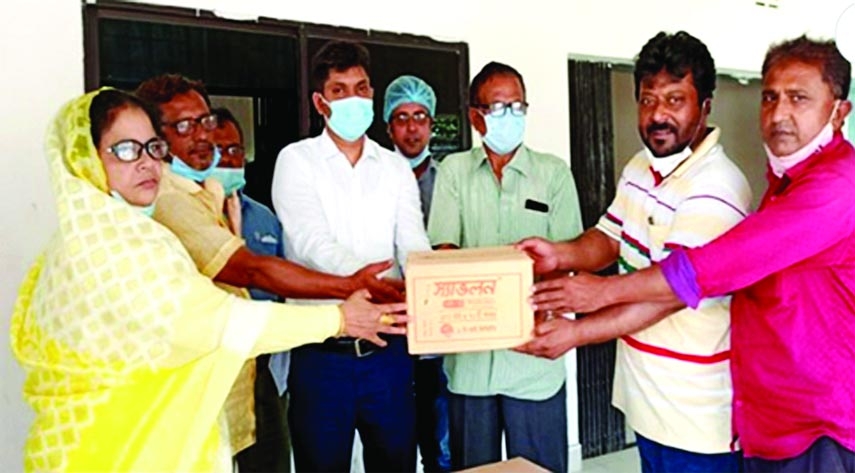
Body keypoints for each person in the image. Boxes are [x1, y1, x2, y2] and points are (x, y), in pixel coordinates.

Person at [10, 88, 408, 473]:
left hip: (116, 440)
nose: (147, 162)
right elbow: (220, 321)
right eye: (126, 150)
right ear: (86, 161)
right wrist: (340, 318)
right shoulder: (114, 246)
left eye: (152, 148)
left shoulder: (94, 234)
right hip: (115, 449)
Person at [518, 36, 855, 472]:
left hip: (793, 423)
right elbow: (611, 234)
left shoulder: (820, 188)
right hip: (745, 415)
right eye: (769, 97)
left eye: (799, 98)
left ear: (839, 111)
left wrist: (589, 310)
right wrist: (560, 255)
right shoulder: (778, 179)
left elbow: (693, 279)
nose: (779, 114)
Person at [515, 31, 751, 473]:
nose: (658, 115)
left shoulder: (717, 187)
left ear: (705, 106)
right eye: (647, 100)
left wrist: (578, 330)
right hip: (646, 400)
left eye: (675, 100)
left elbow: (670, 293)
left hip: (698, 417)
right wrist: (559, 255)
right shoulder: (641, 167)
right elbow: (609, 236)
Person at [136, 74, 403, 457]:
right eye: (182, 126)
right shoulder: (169, 198)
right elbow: (251, 271)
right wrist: (348, 287)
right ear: (155, 138)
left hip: (239, 370)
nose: (200, 135)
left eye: (204, 121)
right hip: (198, 385)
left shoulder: (207, 194)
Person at [271, 41, 431, 472]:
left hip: (389, 354)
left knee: (397, 464)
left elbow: (414, 245)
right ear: (320, 102)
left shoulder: (394, 167)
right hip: (323, 357)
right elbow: (311, 244)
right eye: (340, 90)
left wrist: (431, 287)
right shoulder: (296, 161)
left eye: (361, 88)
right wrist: (373, 285)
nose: (353, 99)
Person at [427, 61, 583, 473]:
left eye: (518, 107)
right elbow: (444, 257)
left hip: (535, 360)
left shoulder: (552, 174)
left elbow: (569, 257)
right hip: (470, 365)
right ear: (476, 117)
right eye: (499, 109)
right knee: (472, 467)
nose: (510, 117)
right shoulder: (454, 173)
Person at [210, 106, 291, 472]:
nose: (228, 159)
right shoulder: (187, 215)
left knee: (270, 460)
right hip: (208, 367)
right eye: (218, 150)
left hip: (260, 367)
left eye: (235, 149)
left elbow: (283, 286)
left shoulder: (264, 218)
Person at [383, 75, 450, 472]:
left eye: (420, 117)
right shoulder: (376, 179)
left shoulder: (450, 183)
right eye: (402, 118)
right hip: (390, 330)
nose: (412, 127)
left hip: (439, 335)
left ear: (431, 124)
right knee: (393, 444)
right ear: (389, 126)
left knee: (441, 448)